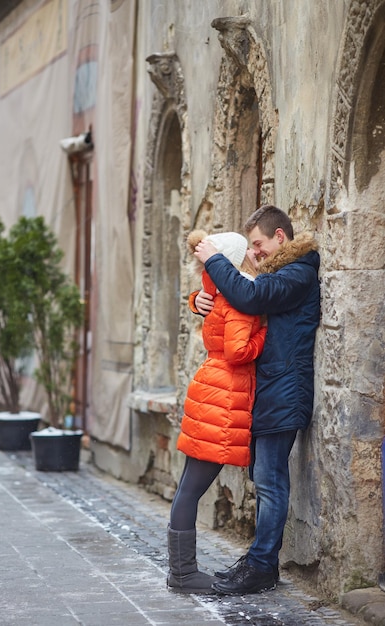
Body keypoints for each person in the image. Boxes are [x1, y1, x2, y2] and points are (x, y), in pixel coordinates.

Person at [193, 205, 320, 595]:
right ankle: (258, 561)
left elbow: (249, 295)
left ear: (280, 236)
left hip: (285, 391)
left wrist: (214, 258)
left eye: (258, 243)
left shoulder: (299, 273)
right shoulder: (278, 272)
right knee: (264, 480)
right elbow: (238, 297)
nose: (255, 251)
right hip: (270, 392)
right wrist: (197, 298)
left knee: (269, 482)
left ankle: (263, 567)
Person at [167, 229, 267, 594]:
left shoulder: (216, 293)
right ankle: (182, 574)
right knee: (192, 489)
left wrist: (197, 299)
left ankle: (181, 572)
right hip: (222, 397)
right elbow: (239, 350)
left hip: (210, 386)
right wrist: (265, 336)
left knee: (187, 486)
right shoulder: (238, 296)